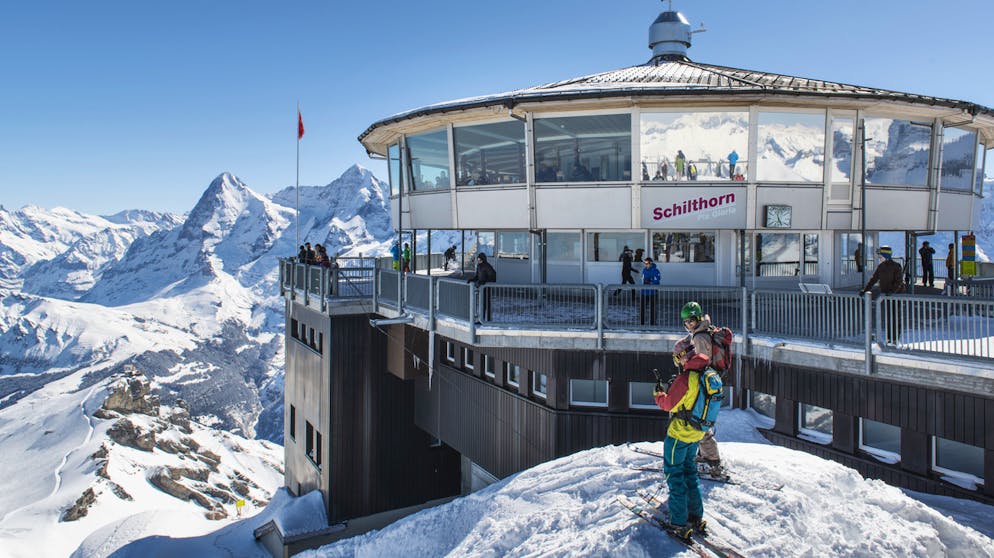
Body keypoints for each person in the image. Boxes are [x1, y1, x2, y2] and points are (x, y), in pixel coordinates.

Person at [653, 337, 711, 540]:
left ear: (682, 356)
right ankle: (695, 515)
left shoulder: (686, 378)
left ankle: (678, 521)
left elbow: (669, 404)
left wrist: (659, 395)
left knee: (675, 474)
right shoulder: (707, 373)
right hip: (697, 431)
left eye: (677, 358)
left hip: (679, 434)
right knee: (689, 472)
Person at [680, 301, 723, 477]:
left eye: (691, 320)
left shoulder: (699, 337)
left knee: (699, 420)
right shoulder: (704, 330)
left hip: (704, 385)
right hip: (708, 383)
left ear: (698, 319)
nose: (688, 324)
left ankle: (713, 461)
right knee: (699, 420)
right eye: (685, 321)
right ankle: (704, 455)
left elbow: (702, 362)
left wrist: (686, 363)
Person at [860, 246, 905, 344]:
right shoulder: (881, 267)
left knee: (896, 317)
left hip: (896, 295)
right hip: (886, 295)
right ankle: (889, 338)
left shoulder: (896, 266)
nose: (880, 258)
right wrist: (865, 290)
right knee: (889, 317)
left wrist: (892, 291)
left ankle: (895, 338)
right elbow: (873, 279)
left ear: (886, 256)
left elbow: (899, 281)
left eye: (881, 257)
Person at [466, 253, 497, 322]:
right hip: (481, 288)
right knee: (482, 304)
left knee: (486, 303)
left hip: (486, 288)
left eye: (480, 260)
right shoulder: (479, 266)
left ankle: (487, 319)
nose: (479, 261)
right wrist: (472, 280)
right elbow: (477, 276)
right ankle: (482, 319)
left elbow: (493, 276)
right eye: (478, 260)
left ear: (483, 259)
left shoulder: (487, 266)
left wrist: (485, 282)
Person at [640, 257, 660, 325]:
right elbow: (642, 279)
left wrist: (650, 280)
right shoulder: (644, 270)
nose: (646, 265)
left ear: (650, 263)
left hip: (652, 293)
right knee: (642, 309)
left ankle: (653, 324)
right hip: (644, 292)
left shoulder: (655, 270)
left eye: (647, 263)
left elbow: (657, 280)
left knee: (653, 309)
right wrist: (644, 283)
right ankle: (642, 324)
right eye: (645, 263)